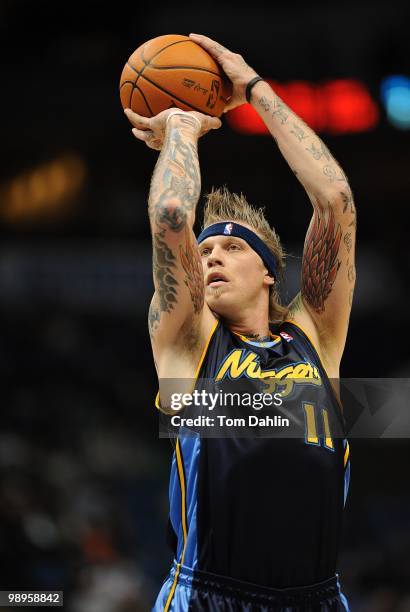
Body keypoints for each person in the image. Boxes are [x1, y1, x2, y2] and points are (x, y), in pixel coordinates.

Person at [125, 33, 355, 612]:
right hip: (208, 595)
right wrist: (181, 125)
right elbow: (174, 214)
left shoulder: (316, 337)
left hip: (317, 599)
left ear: (271, 274)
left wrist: (252, 87)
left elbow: (335, 200)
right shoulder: (188, 341)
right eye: (203, 253)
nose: (210, 257)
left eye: (230, 246)